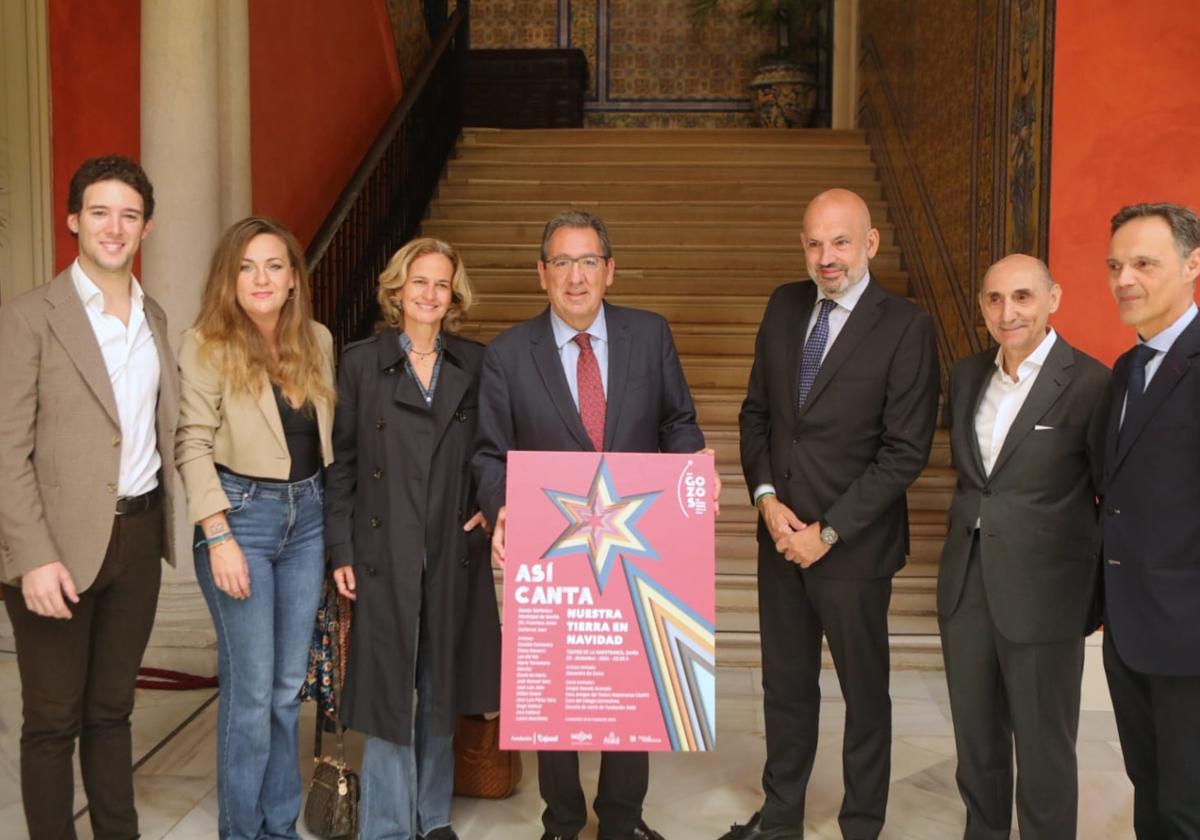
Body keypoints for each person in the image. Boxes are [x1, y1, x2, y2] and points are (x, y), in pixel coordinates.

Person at [473, 209, 707, 840]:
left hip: (638, 536)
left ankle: (623, 821)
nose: (575, 277)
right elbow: (490, 452)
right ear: (541, 274)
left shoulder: (649, 334)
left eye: (587, 262)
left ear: (609, 270)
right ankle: (562, 821)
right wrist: (500, 506)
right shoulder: (505, 354)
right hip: (550, 544)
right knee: (555, 684)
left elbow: (678, 422)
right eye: (561, 263)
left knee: (631, 677)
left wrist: (689, 483)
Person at [729, 188, 940, 840]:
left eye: (840, 242)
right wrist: (766, 501)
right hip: (779, 539)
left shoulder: (906, 326)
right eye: (815, 242)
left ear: (869, 243)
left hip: (853, 548)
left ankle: (861, 825)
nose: (826, 256)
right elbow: (757, 415)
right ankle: (781, 819)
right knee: (785, 690)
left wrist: (826, 532)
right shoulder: (784, 304)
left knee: (865, 697)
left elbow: (904, 453)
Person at [0, 155, 177, 839]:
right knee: (52, 722)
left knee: (111, 712)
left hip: (136, 540)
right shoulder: (27, 318)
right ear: (73, 220)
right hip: (56, 548)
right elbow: (6, 449)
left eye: (129, 215)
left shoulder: (154, 318)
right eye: (100, 212)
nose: (114, 227)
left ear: (146, 228)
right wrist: (33, 557)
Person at [324, 237, 500, 840]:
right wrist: (341, 550)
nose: (429, 294)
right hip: (381, 551)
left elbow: (492, 451)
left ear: (455, 296)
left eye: (441, 283)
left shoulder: (475, 363)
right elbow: (342, 464)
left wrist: (488, 506)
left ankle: (434, 816)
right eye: (418, 281)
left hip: (451, 548)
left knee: (442, 682)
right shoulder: (360, 362)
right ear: (396, 289)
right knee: (386, 685)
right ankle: (387, 822)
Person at [938, 254, 1109, 839]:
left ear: (1053, 299)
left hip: (1045, 597)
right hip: (967, 586)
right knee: (976, 744)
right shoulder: (965, 376)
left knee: (1043, 753)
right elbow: (976, 481)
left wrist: (1096, 593)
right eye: (994, 299)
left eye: (1023, 297)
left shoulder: (1090, 382)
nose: (1007, 313)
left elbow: (1109, 493)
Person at [176, 216, 336, 840]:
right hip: (241, 516)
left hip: (309, 517)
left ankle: (279, 825)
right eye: (247, 266)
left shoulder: (316, 341)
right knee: (248, 696)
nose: (261, 278)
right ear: (230, 279)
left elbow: (327, 442)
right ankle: (241, 832)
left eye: (274, 265)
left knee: (283, 690)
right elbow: (190, 442)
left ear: (294, 279)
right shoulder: (207, 343)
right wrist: (218, 537)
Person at [1101, 202, 1200, 839]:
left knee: (1187, 808)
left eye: (1143, 263)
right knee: (1151, 792)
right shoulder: (1126, 370)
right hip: (1130, 628)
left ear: (1193, 265)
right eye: (1115, 265)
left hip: (1189, 635)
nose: (1124, 280)